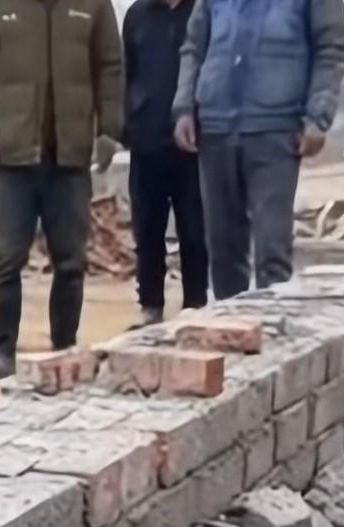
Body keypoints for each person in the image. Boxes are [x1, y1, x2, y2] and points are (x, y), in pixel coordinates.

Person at [0, 0, 124, 381]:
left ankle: (63, 347)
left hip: (69, 158)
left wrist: (110, 128)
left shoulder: (94, 5)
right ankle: (2, 349)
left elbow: (110, 67)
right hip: (12, 155)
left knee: (70, 262)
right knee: (5, 259)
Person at [172, 0, 344, 299]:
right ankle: (229, 331)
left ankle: (274, 334)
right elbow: (194, 46)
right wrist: (184, 108)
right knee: (223, 249)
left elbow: (330, 49)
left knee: (272, 250)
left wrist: (318, 116)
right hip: (215, 127)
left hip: (276, 131)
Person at [123, 0, 208, 326]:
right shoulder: (138, 14)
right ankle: (150, 307)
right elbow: (126, 72)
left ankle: (195, 305)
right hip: (146, 140)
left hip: (193, 143)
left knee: (195, 229)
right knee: (147, 228)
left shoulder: (202, 10)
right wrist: (127, 122)